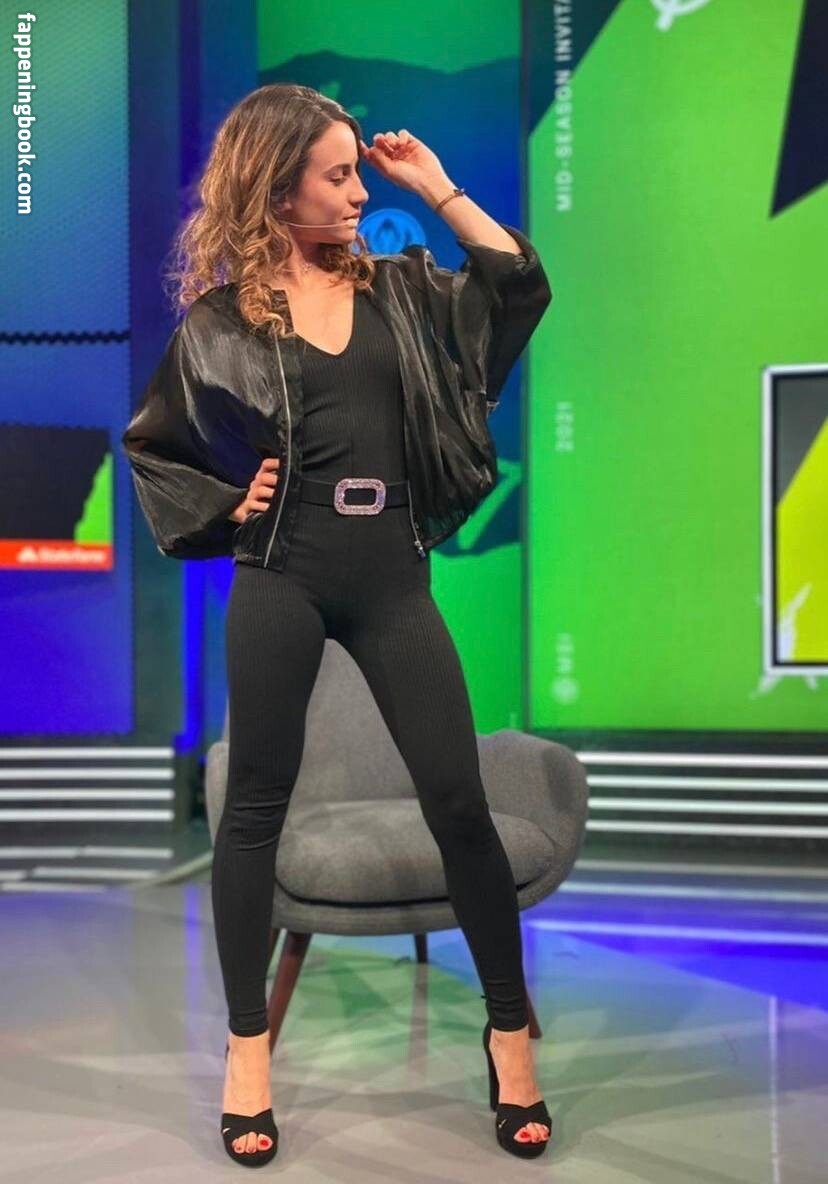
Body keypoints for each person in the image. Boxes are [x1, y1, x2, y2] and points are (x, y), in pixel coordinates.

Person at [122, 83, 553, 1166]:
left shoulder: (401, 289)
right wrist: (231, 506)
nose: (359, 191)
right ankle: (247, 1054)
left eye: (359, 169)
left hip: (393, 573)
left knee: (459, 802)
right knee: (253, 811)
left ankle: (509, 1039)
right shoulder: (220, 323)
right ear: (277, 189)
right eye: (339, 173)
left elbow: (515, 284)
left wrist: (436, 187)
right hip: (284, 570)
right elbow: (155, 446)